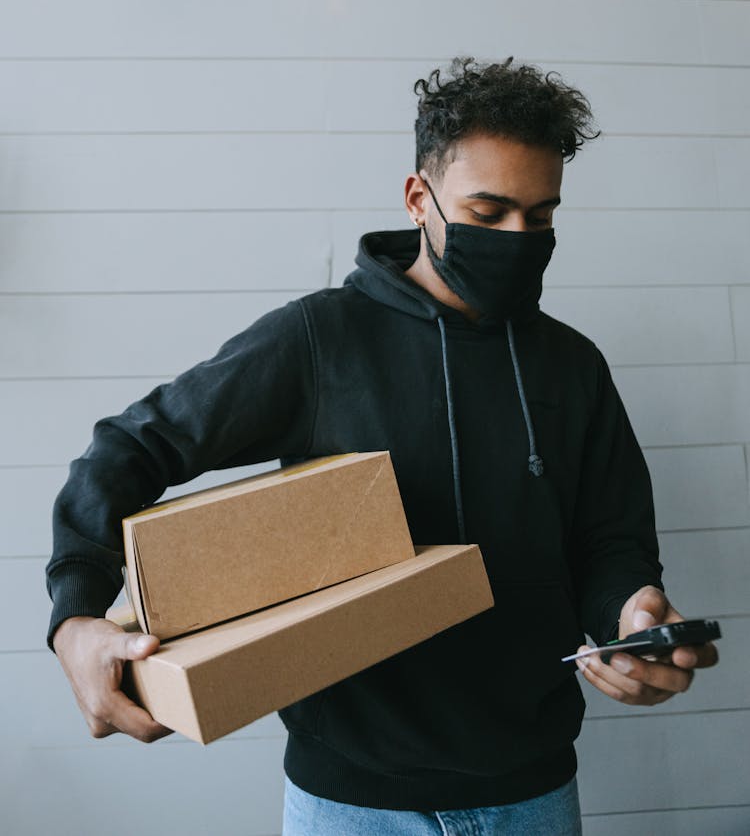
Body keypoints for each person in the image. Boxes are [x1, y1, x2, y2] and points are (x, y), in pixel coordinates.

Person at [46, 56, 718, 835]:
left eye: (540, 217)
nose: (517, 238)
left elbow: (612, 542)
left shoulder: (574, 365)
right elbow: (129, 448)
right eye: (489, 209)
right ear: (418, 198)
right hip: (349, 803)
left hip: (532, 792)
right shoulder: (317, 340)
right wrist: (75, 616)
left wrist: (634, 614)